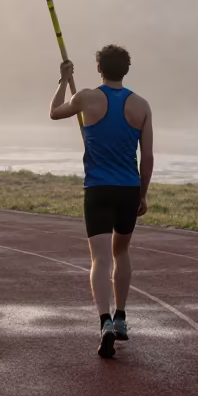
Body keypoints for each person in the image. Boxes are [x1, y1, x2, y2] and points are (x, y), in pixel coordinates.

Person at [49, 44, 153, 358]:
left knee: (100, 259)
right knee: (121, 252)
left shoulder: (86, 98)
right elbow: (146, 157)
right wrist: (143, 193)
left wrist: (62, 80)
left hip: (98, 190)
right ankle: (121, 316)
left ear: (99, 69)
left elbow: (55, 112)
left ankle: (105, 321)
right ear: (126, 69)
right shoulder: (141, 105)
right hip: (127, 189)